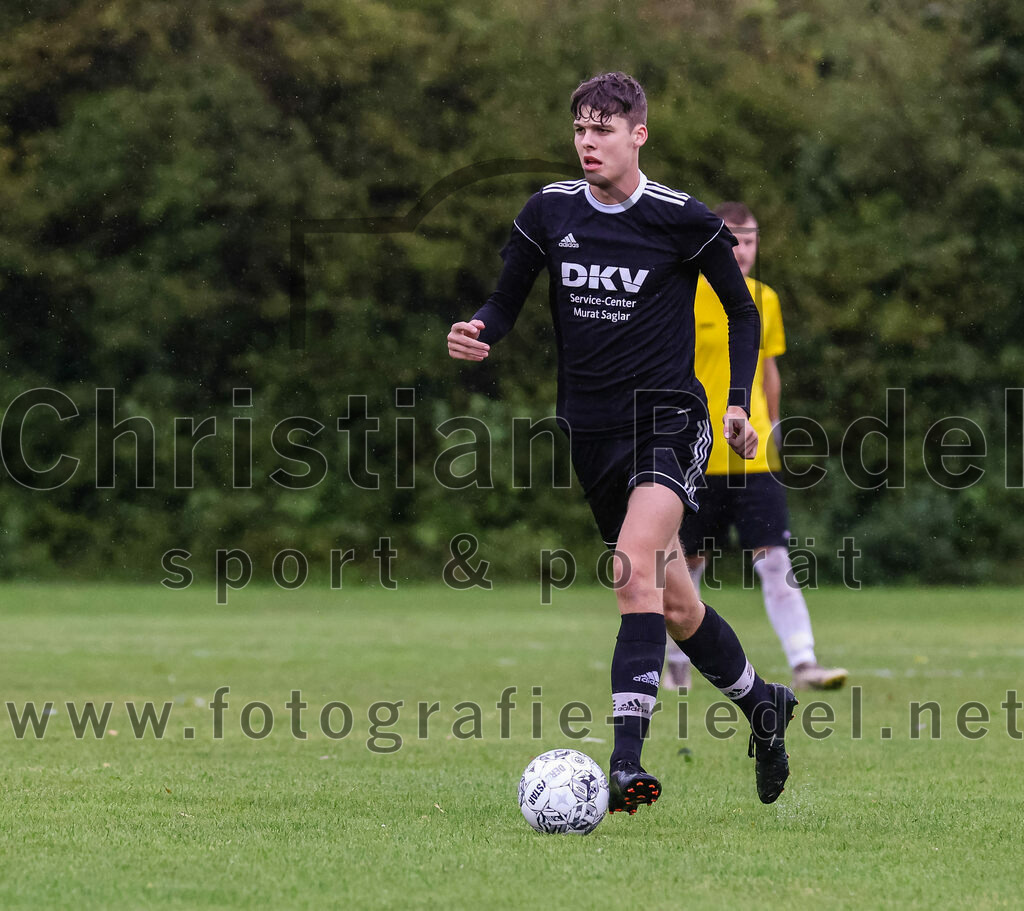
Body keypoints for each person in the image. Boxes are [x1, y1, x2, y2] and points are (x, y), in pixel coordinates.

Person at [447, 72, 796, 812]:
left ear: (639, 134)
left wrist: (735, 401)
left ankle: (625, 763)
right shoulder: (549, 211)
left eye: (603, 130)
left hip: (670, 420)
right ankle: (763, 703)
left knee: (631, 567)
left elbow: (742, 313)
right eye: (580, 129)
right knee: (673, 603)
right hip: (591, 431)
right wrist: (480, 330)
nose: (587, 143)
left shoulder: (681, 218)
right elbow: (505, 300)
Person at [663, 203, 849, 692]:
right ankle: (676, 664)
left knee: (775, 558)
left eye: (750, 240)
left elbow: (768, 370)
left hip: (753, 454)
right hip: (695, 451)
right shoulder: (687, 293)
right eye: (733, 240)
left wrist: (776, 425)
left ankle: (805, 662)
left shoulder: (765, 298)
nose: (742, 251)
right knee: (685, 562)